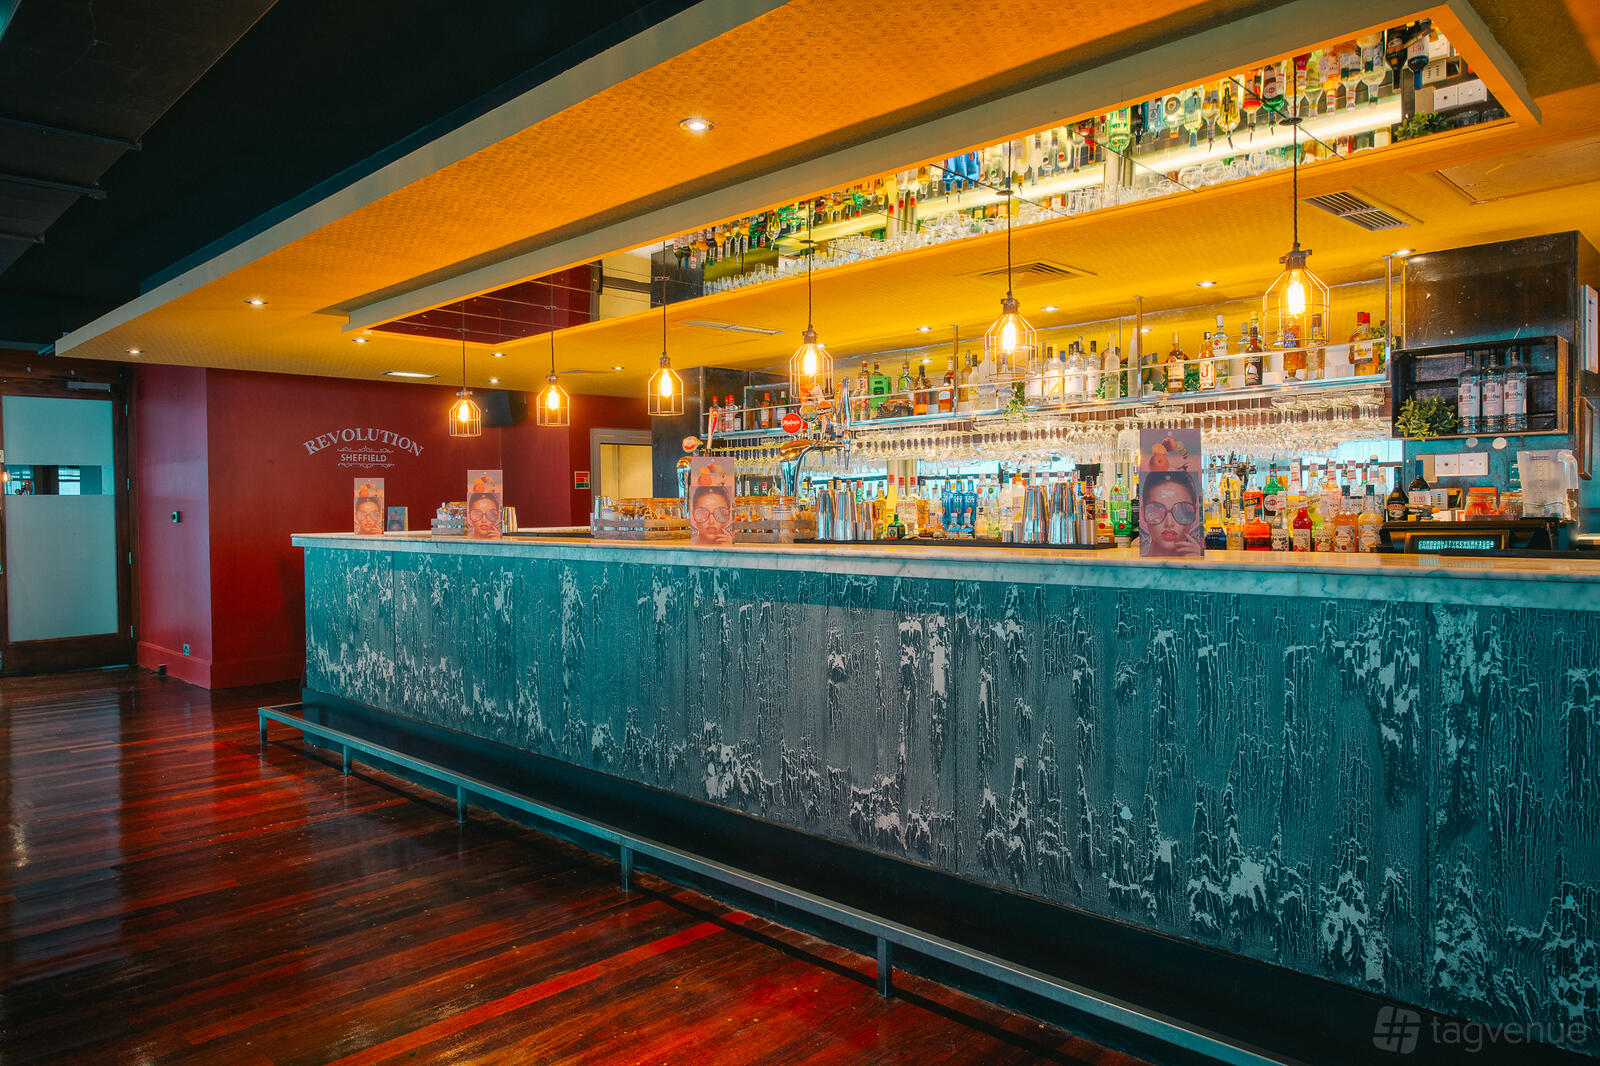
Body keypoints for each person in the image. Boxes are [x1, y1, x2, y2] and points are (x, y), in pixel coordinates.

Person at [1140, 470, 1204, 557]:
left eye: (1181, 511)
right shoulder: (1133, 553)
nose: (1169, 523)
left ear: (1195, 512)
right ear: (1143, 512)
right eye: (1157, 510)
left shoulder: (1202, 556)